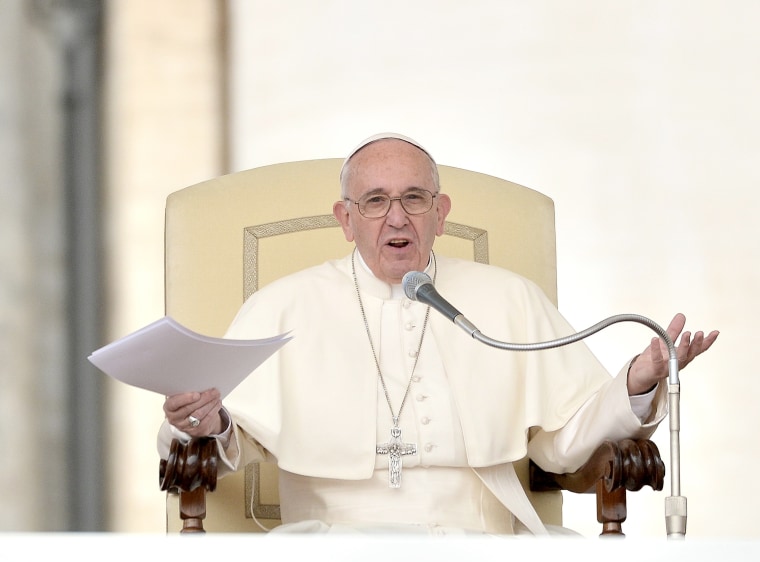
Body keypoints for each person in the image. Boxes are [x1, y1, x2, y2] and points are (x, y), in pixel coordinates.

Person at [159, 133, 718, 535]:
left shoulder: (508, 298)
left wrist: (636, 382)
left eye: (414, 198)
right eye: (374, 201)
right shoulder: (282, 306)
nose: (396, 218)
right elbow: (226, 431)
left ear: (440, 212)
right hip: (331, 552)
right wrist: (211, 422)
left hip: (484, 549)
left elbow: (566, 440)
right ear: (346, 219)